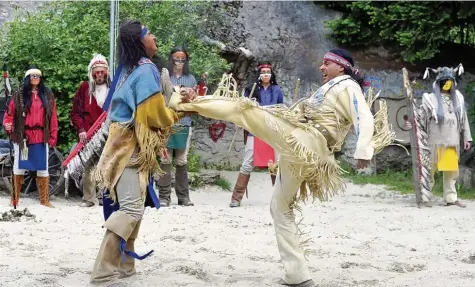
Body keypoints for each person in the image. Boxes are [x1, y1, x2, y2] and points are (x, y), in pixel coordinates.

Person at [168, 48, 381, 287]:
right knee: (279, 207)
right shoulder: (331, 87)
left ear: (340, 67)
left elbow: (364, 116)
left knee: (243, 109)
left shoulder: (346, 85)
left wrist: (364, 151)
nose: (321, 67)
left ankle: (181, 102)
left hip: (306, 140)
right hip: (302, 146)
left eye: (326, 63)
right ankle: (297, 275)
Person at [89, 20, 192, 284]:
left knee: (133, 208)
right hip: (131, 150)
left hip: (120, 146)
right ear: (139, 42)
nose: (153, 35)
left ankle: (126, 268)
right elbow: (152, 116)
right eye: (148, 33)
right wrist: (178, 110)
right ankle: (103, 271)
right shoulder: (146, 70)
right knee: (132, 210)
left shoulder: (128, 68)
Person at [405, 64, 471, 208]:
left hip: (452, 141)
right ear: (439, 83)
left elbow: (463, 120)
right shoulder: (430, 99)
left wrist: (467, 137)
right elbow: (420, 118)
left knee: (451, 172)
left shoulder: (458, 99)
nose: (447, 84)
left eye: (450, 81)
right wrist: (411, 124)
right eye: (444, 81)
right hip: (434, 142)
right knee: (429, 171)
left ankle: (450, 198)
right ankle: (425, 197)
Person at [230, 61, 284, 207]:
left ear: (271, 74)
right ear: (259, 75)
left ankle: (282, 199)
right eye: (263, 72)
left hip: (272, 131)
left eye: (268, 72)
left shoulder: (277, 90)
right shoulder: (251, 89)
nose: (266, 74)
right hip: (255, 130)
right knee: (247, 163)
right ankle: (236, 198)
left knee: (277, 164)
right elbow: (243, 108)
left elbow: (281, 108)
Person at [3, 65, 58, 208]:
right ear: (28, 78)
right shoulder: (19, 94)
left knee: (43, 167)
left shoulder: (47, 94)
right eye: (33, 76)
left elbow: (52, 117)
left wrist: (53, 135)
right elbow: (9, 114)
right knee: (18, 167)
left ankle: (44, 200)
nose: (36, 78)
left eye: (38, 76)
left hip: (40, 135)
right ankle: (14, 199)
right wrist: (8, 124)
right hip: (23, 136)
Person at [157, 46, 197, 207]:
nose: (179, 62)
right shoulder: (164, 76)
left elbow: (195, 101)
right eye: (176, 59)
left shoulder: (191, 79)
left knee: (181, 160)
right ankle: (164, 197)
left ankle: (183, 197)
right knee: (165, 159)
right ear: (171, 59)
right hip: (166, 122)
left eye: (183, 59)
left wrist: (190, 96)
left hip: (184, 123)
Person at [70, 54, 111, 207]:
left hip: (108, 133)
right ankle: (89, 198)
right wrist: (81, 130)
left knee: (107, 164)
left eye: (102, 72)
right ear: (92, 73)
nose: (99, 75)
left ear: (106, 72)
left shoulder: (113, 88)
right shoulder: (85, 88)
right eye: (96, 72)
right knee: (90, 166)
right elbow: (75, 113)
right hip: (89, 134)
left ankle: (104, 197)